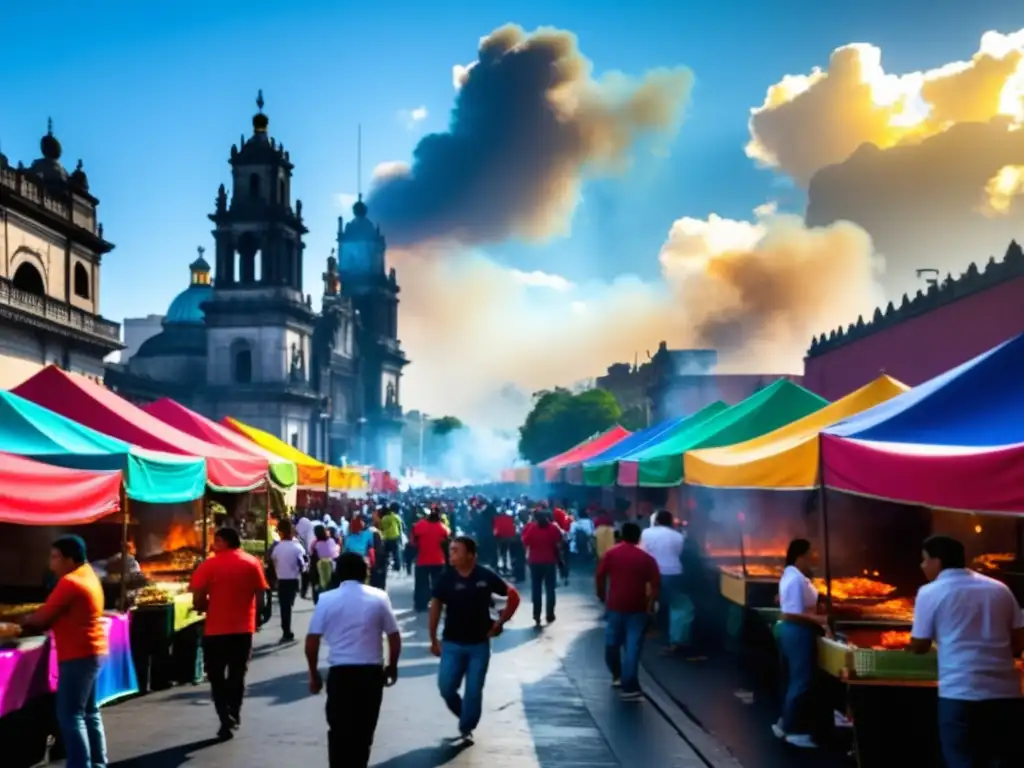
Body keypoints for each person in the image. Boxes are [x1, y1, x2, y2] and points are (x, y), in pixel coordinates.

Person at [907, 535, 1024, 767]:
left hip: (960, 693)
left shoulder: (930, 592)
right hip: (1006, 694)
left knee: (962, 760)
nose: (922, 566)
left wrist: (908, 649)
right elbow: (1019, 641)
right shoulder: (1000, 589)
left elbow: (919, 645)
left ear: (937, 561)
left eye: (924, 560)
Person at [306, 553, 402, 768]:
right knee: (364, 731)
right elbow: (394, 637)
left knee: (339, 730)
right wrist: (392, 667)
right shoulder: (379, 597)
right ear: (364, 572)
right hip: (371, 674)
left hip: (340, 674)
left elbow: (312, 641)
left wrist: (313, 674)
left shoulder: (326, 599)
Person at [21, 536, 108, 768]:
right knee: (89, 712)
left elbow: (43, 617)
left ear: (70, 559)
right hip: (94, 650)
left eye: (55, 557)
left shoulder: (70, 582)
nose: (51, 563)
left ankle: (81, 765)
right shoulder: (89, 574)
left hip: (78, 654)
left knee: (70, 715)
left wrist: (23, 622)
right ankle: (98, 763)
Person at [429, 536, 521, 741]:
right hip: (452, 642)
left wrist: (501, 622)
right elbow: (435, 607)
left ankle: (466, 727)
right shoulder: (445, 578)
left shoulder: (485, 575)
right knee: (446, 688)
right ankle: (465, 714)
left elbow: (513, 595)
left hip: (479, 644)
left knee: (473, 690)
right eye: (450, 550)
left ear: (470, 555)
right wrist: (433, 638)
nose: (451, 554)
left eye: (456, 551)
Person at [190, 527, 270, 740]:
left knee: (216, 676)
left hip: (216, 629)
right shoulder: (252, 562)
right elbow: (261, 595)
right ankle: (234, 712)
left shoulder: (209, 565)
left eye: (216, 541)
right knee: (237, 673)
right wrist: (258, 617)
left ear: (223, 542)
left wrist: (206, 606)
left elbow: (197, 598)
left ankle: (225, 716)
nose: (213, 545)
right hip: (243, 628)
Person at [772, 538, 827, 749]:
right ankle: (794, 731)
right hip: (798, 632)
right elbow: (791, 613)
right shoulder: (795, 579)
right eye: (810, 555)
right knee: (801, 681)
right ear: (800, 556)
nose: (813, 559)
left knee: (792, 679)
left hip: (792, 632)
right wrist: (818, 619)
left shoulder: (792, 575)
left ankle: (785, 723)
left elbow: (782, 602)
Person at [595, 522, 660, 701]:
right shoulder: (646, 558)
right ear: (639, 537)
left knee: (612, 642)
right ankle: (629, 685)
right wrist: (651, 604)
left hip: (615, 605)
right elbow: (655, 584)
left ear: (621, 535)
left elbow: (600, 576)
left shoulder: (611, 554)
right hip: (638, 607)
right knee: (633, 646)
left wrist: (601, 596)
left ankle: (616, 675)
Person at [640, 510, 693, 653]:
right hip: (673, 573)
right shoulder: (678, 536)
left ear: (655, 521)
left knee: (649, 601)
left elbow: (642, 552)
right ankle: (676, 640)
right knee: (679, 606)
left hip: (650, 573)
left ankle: (645, 630)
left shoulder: (646, 533)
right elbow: (679, 553)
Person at [269, 518, 307, 642]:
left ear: (280, 532)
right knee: (288, 605)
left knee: (284, 606)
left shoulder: (276, 546)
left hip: (281, 580)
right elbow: (303, 564)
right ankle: (287, 630)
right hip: (293, 580)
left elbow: (272, 561)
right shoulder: (297, 547)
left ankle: (286, 630)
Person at [522, 511, 562, 627]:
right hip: (549, 562)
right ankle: (550, 614)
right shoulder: (553, 528)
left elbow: (525, 541)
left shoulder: (532, 528)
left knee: (536, 589)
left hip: (535, 562)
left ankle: (537, 615)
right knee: (550, 589)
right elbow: (559, 541)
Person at [412, 509, 449, 611]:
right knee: (438, 584)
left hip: (422, 559)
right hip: (438, 560)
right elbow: (447, 543)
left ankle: (420, 605)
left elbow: (413, 542)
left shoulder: (419, 526)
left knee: (421, 584)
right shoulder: (443, 528)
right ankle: (438, 604)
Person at [310, 524, 340, 604]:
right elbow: (336, 554)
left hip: (321, 570)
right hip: (332, 568)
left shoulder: (315, 544)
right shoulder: (332, 541)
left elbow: (313, 557)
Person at [378, 505, 404, 572]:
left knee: (386, 553)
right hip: (395, 537)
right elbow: (400, 526)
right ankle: (397, 567)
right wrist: (400, 534)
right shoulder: (396, 516)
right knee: (396, 553)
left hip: (386, 538)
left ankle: (385, 566)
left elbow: (382, 528)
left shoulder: (384, 518)